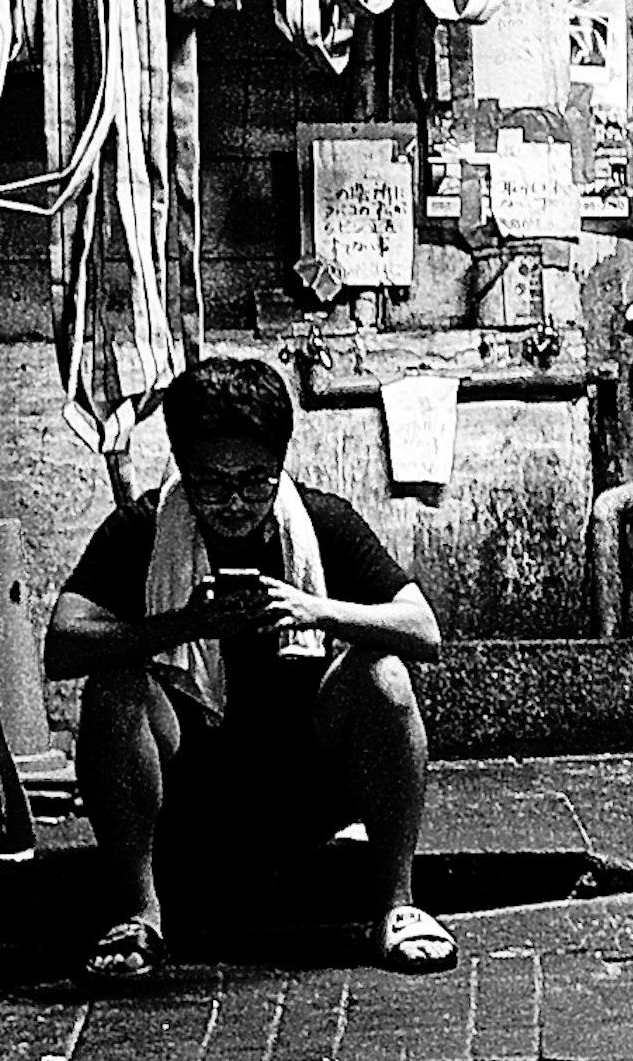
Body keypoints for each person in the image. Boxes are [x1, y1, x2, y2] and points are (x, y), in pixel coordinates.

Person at [47, 350, 454, 982]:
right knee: (116, 688)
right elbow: (63, 644)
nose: (234, 502)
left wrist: (314, 610)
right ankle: (139, 913)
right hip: (185, 791)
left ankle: (397, 905)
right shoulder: (143, 529)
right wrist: (186, 624)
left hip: (306, 783)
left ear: (280, 466)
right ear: (182, 466)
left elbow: (422, 630)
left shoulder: (322, 522)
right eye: (211, 483)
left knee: (385, 674)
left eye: (255, 481)